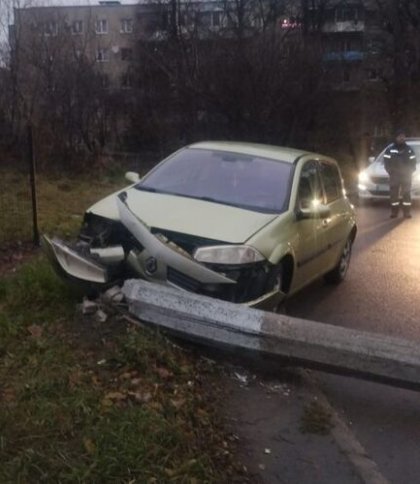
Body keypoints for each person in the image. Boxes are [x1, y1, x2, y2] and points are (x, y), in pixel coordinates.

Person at [383, 129, 417, 218]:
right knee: (394, 195)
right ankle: (394, 212)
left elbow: (413, 162)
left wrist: (410, 171)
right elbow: (386, 161)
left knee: (406, 195)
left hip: (406, 176)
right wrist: (390, 171)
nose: (401, 138)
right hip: (394, 176)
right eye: (399, 136)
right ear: (396, 138)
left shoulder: (409, 150)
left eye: (403, 136)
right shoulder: (390, 149)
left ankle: (407, 213)